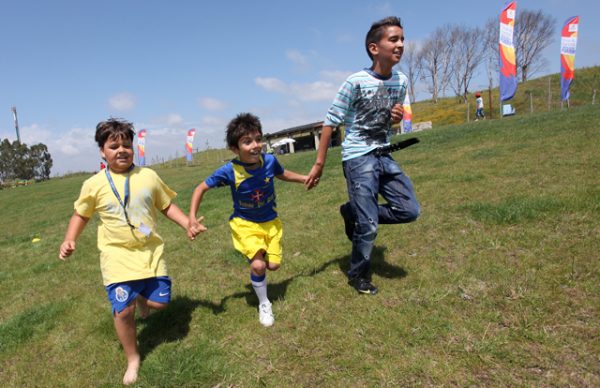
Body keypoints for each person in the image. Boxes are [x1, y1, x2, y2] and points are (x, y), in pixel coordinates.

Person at [58, 118, 203, 385]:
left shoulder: (148, 176)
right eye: (114, 146)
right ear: (102, 151)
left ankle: (140, 298)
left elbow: (166, 205)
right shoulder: (94, 184)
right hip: (116, 255)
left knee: (160, 303)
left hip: (150, 251)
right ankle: (133, 358)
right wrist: (69, 239)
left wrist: (187, 224)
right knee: (123, 311)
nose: (121, 150)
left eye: (126, 144)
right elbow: (81, 214)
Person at [305, 16, 420, 295]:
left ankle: (353, 211)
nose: (401, 44)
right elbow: (330, 121)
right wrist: (319, 163)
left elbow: (388, 119)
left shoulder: (401, 81)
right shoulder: (355, 82)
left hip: (384, 153)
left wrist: (395, 116)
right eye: (393, 39)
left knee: (409, 210)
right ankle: (358, 276)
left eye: (402, 39)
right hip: (358, 157)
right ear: (373, 47)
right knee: (368, 226)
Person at [188, 113, 307, 327]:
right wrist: (192, 218)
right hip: (245, 224)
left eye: (258, 139)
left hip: (271, 222)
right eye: (247, 141)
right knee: (259, 266)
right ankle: (264, 303)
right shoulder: (229, 171)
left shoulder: (270, 161)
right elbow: (200, 188)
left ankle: (258, 259)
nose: (255, 145)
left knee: (274, 265)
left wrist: (304, 179)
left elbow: (283, 174)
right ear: (235, 149)